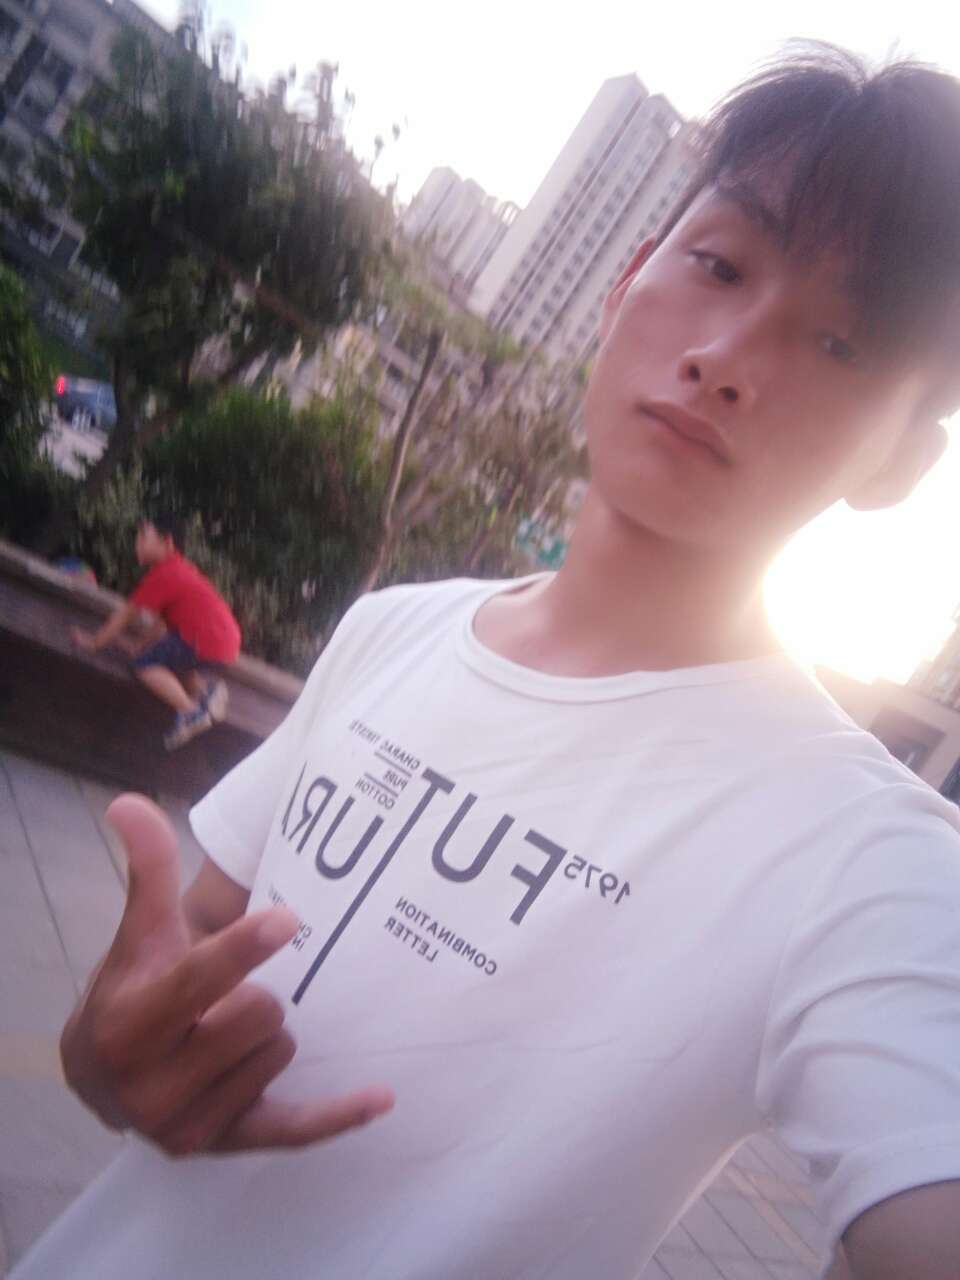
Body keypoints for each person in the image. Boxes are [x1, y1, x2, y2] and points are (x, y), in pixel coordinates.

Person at [17, 44, 960, 1280]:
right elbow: (181, 959)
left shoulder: (865, 853)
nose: (727, 356)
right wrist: (104, 1051)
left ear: (901, 461)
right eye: (720, 264)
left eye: (841, 344)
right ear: (627, 279)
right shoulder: (396, 628)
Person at [70, 514, 241, 750]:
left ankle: (191, 711)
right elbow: (161, 623)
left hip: (207, 639)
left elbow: (126, 614)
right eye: (137, 537)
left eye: (143, 537)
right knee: (174, 660)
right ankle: (205, 694)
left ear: (167, 542)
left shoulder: (165, 574)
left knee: (144, 664)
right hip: (223, 641)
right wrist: (140, 644)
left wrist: (95, 643)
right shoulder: (179, 568)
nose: (137, 544)